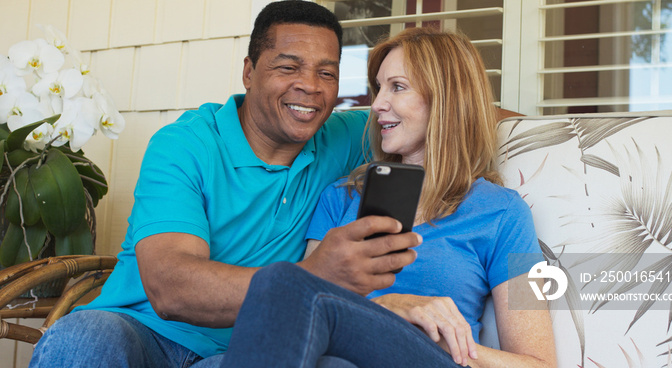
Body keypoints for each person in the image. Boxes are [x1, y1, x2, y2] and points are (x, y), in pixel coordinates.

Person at [29, 1, 421, 367]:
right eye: (288, 67)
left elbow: (434, 117)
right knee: (81, 338)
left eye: (327, 72)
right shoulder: (185, 145)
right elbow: (172, 289)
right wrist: (314, 275)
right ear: (249, 72)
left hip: (243, 349)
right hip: (141, 332)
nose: (311, 86)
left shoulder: (345, 137)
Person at [220, 28, 556, 368]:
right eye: (378, 88)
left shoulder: (504, 214)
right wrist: (392, 305)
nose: (378, 104)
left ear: (446, 99)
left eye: (397, 87)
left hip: (431, 358)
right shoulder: (340, 197)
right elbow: (304, 307)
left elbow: (539, 364)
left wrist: (443, 342)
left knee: (282, 283)